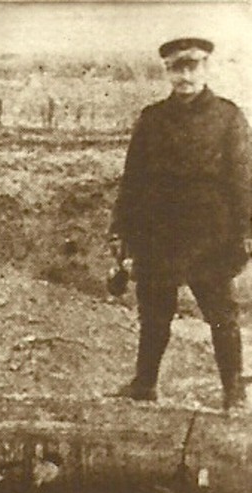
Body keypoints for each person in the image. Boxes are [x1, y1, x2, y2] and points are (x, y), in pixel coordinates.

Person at [109, 36, 251, 411]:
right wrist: (120, 230)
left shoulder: (228, 116)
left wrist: (248, 229)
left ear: (206, 68)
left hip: (211, 233)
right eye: (177, 68)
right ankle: (145, 384)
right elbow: (133, 179)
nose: (185, 75)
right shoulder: (151, 118)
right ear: (168, 72)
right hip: (158, 233)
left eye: (193, 66)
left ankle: (234, 392)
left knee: (221, 315)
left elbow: (243, 179)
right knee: (154, 313)